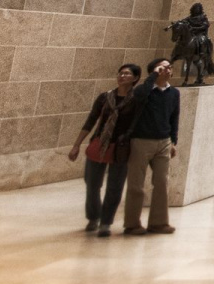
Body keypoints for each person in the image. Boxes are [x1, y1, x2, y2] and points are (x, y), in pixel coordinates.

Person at [68, 63, 140, 237]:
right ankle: (94, 217)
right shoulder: (104, 97)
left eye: (127, 74)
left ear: (135, 79)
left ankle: (106, 222)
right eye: (120, 73)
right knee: (92, 183)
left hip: (121, 148)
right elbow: (91, 121)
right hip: (99, 144)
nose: (122, 76)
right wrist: (77, 144)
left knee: (114, 187)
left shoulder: (137, 100)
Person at [121, 58, 180, 235]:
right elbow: (140, 95)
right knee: (136, 185)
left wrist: (173, 141)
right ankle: (132, 224)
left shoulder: (174, 93)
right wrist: (154, 75)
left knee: (162, 183)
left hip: (163, 142)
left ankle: (159, 223)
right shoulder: (143, 90)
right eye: (163, 68)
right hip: (141, 141)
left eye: (169, 67)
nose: (167, 70)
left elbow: (174, 117)